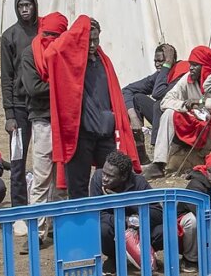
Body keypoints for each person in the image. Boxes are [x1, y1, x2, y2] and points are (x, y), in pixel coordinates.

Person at [45, 15, 140, 199]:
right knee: (78, 187)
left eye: (96, 39)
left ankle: (108, 224)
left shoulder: (103, 61)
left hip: (106, 134)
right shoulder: (69, 61)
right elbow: (50, 53)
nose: (92, 44)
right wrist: (74, 33)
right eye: (88, 40)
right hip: (81, 135)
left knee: (113, 183)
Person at [20, 12, 67, 244]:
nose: (50, 39)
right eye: (47, 34)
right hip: (43, 121)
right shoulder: (30, 54)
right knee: (41, 178)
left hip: (66, 121)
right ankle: (36, 233)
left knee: (62, 179)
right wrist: (63, 84)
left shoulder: (66, 53)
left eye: (56, 36)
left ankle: (58, 229)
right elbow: (34, 88)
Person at [144, 46, 211, 179]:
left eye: (195, 65)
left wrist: (200, 103)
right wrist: (187, 107)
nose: (191, 68)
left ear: (205, 66)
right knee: (168, 113)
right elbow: (165, 101)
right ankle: (159, 164)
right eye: (190, 64)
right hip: (194, 124)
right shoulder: (188, 78)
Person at [90, 151, 164, 275]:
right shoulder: (97, 178)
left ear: (123, 177)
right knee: (102, 229)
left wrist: (132, 207)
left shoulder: (139, 182)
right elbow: (97, 214)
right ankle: (114, 258)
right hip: (114, 228)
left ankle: (146, 252)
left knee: (163, 231)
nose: (105, 178)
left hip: (139, 228)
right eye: (104, 173)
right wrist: (124, 220)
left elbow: (158, 212)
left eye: (110, 176)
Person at [0, 0, 39, 213]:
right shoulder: (9, 36)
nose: (25, 9)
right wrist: (9, 114)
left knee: (45, 157)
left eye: (28, 5)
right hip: (19, 107)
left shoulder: (44, 31)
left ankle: (43, 204)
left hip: (42, 106)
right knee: (17, 160)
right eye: (21, 6)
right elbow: (6, 77)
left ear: (34, 6)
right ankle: (19, 208)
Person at [122, 44, 181, 150]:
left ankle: (161, 148)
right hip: (161, 118)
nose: (157, 64)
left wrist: (167, 65)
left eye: (161, 61)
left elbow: (157, 93)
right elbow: (127, 90)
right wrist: (134, 117)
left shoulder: (180, 74)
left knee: (158, 104)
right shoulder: (158, 75)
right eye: (155, 61)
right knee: (137, 98)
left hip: (178, 121)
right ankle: (140, 150)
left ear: (171, 60)